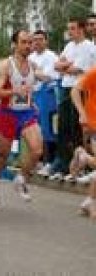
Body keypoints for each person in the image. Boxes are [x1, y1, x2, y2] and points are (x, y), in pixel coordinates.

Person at [0, 30, 43, 209]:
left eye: (30, 42)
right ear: (15, 44)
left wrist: (31, 101)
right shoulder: (6, 66)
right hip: (7, 115)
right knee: (2, 156)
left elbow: (31, 86)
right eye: (24, 42)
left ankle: (21, 179)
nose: (28, 46)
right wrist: (14, 92)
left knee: (36, 150)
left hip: (26, 114)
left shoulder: (33, 65)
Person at [52, 18, 96, 181]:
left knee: (77, 129)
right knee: (63, 129)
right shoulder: (69, 46)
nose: (69, 32)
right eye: (68, 28)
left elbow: (78, 69)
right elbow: (57, 65)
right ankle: (63, 167)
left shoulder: (89, 47)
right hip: (65, 88)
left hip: (81, 90)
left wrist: (66, 67)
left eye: (72, 28)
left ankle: (80, 168)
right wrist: (65, 66)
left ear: (81, 30)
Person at [28, 30, 59, 178]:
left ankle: (50, 163)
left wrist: (37, 73)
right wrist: (36, 73)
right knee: (34, 130)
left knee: (48, 131)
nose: (37, 42)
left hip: (47, 96)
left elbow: (47, 77)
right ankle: (38, 161)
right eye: (34, 40)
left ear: (46, 41)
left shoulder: (52, 56)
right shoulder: (30, 57)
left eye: (40, 39)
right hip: (33, 96)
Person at [70, 66, 96, 219]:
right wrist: (82, 113)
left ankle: (84, 157)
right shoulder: (94, 72)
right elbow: (75, 91)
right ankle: (91, 203)